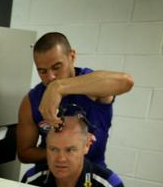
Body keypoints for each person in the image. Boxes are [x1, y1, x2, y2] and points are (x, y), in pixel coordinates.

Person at [16, 32, 134, 169]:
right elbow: (24, 154)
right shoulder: (32, 100)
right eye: (42, 71)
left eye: (56, 67)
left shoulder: (92, 84)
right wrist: (61, 151)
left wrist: (59, 87)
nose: (51, 77)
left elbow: (126, 82)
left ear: (72, 56)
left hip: (90, 177)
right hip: (48, 175)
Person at [22, 116, 129, 187]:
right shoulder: (32, 179)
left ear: (86, 146)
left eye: (70, 150)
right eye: (54, 149)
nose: (61, 159)